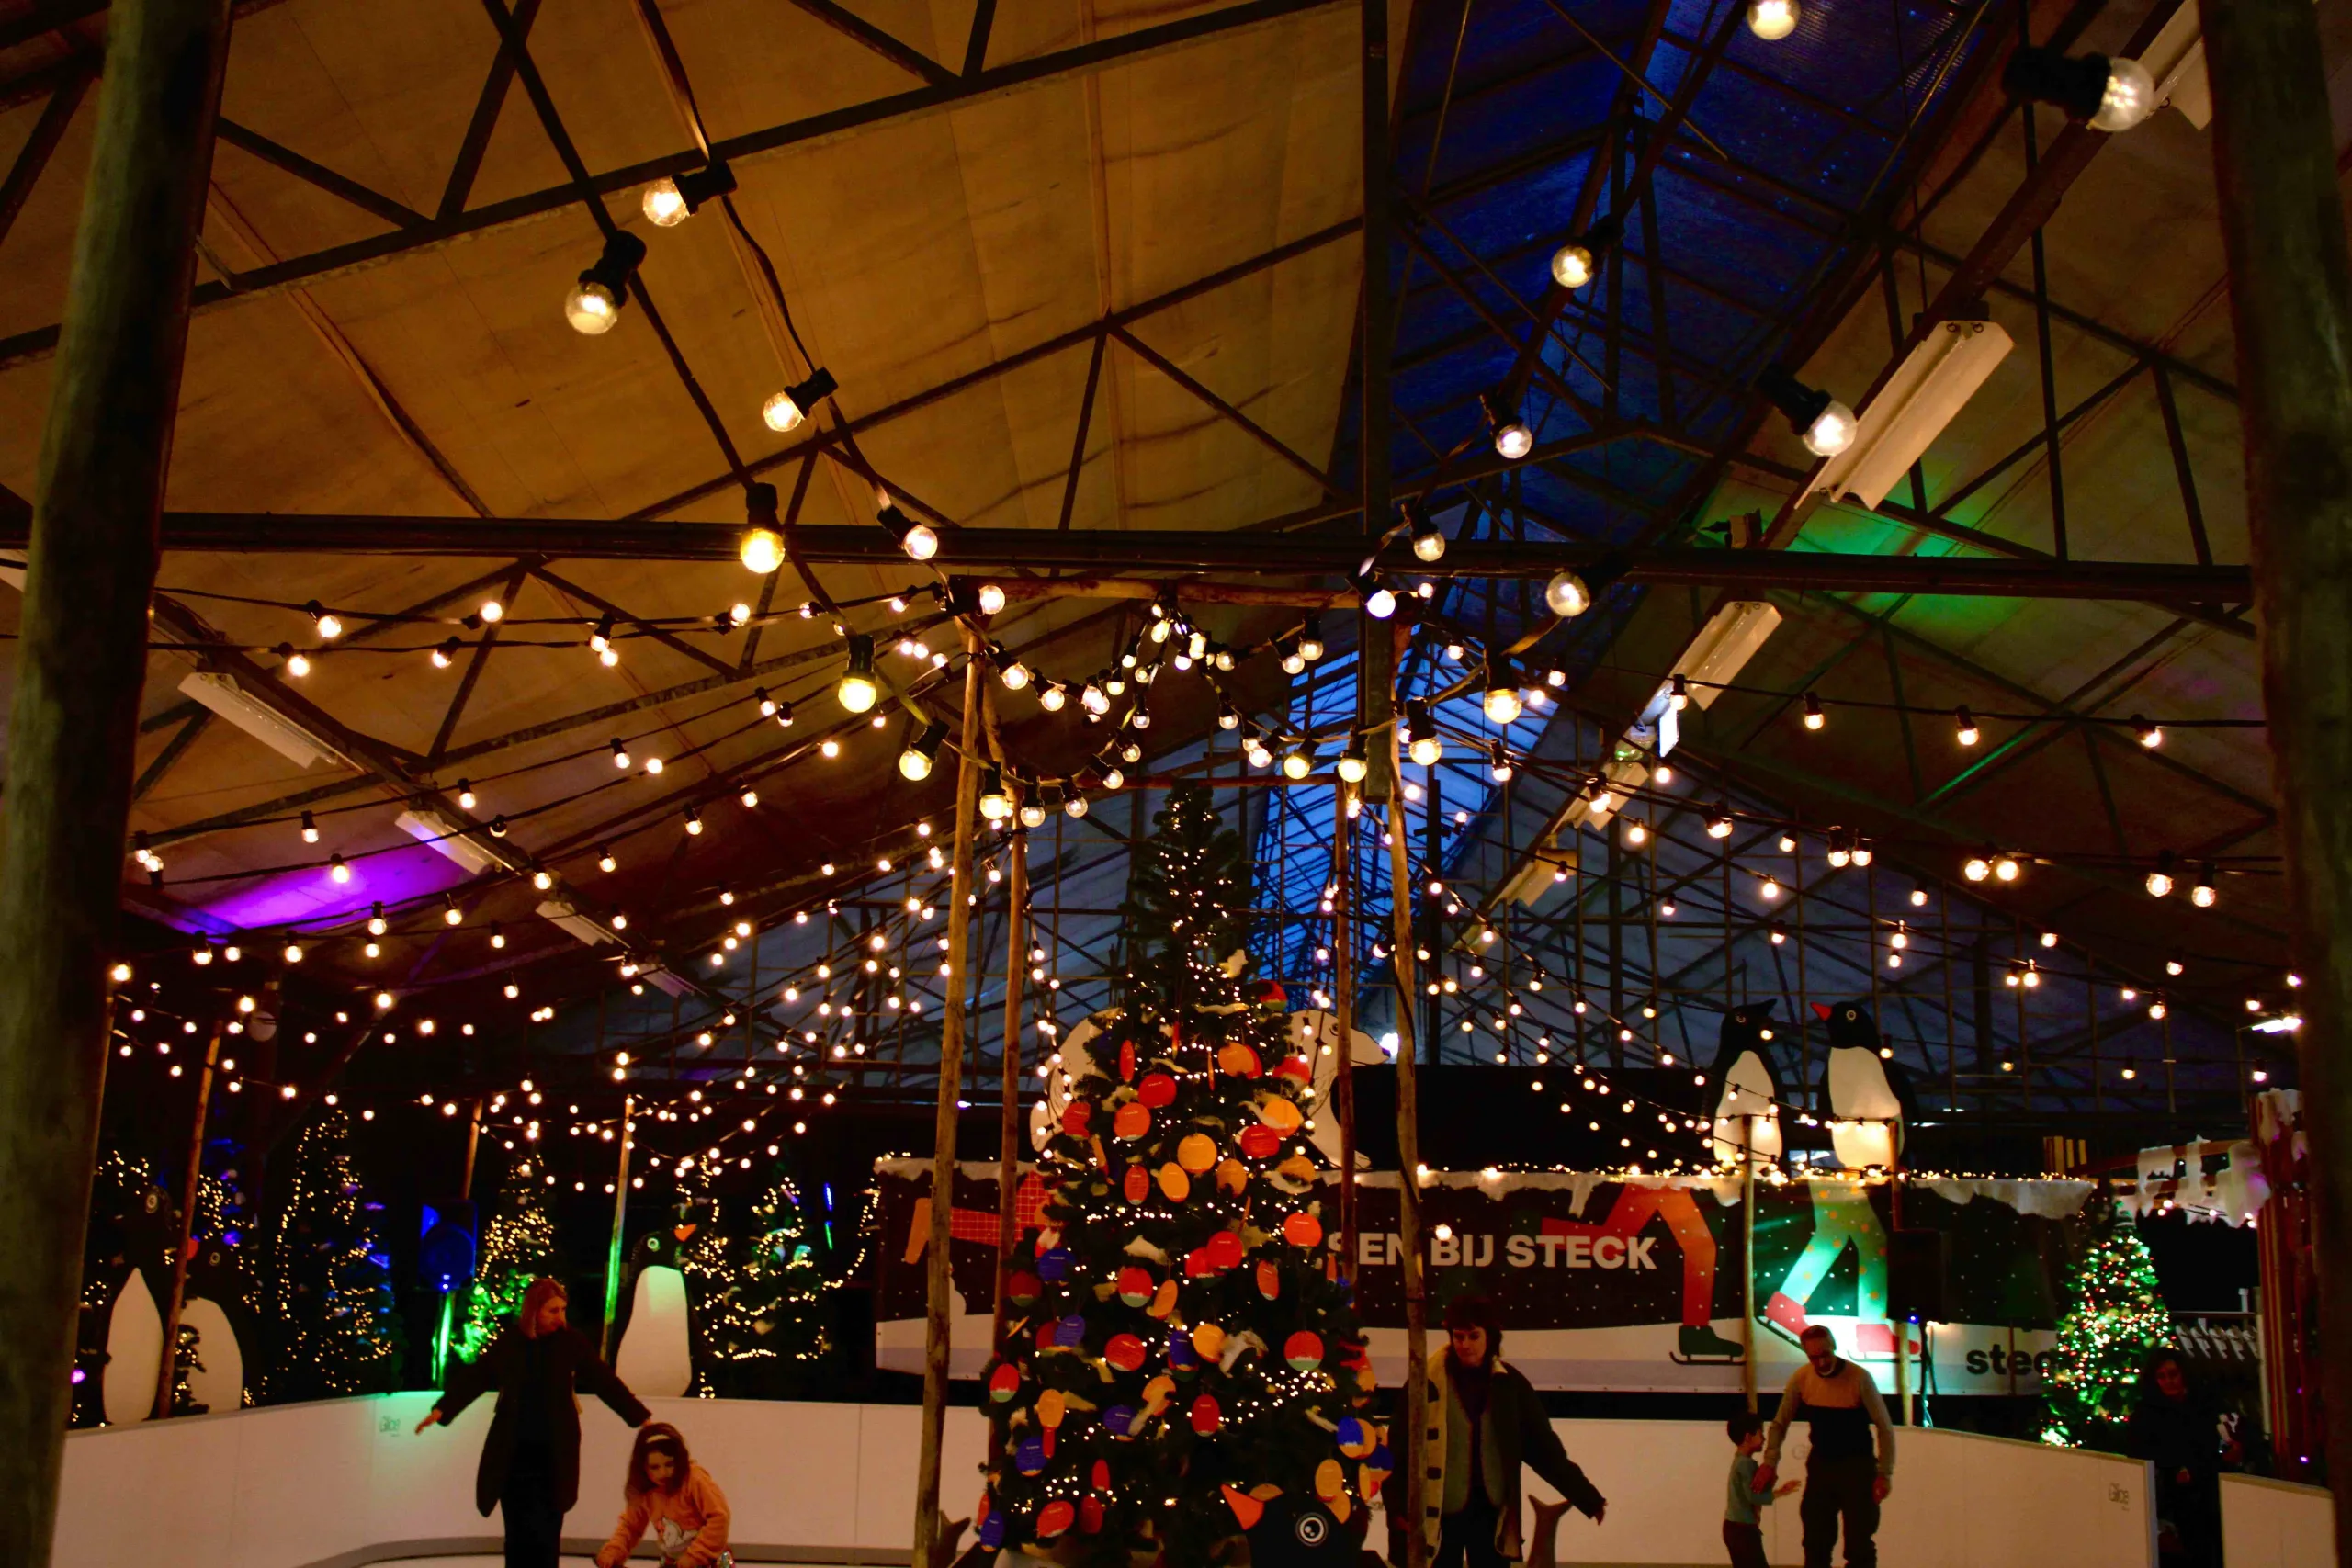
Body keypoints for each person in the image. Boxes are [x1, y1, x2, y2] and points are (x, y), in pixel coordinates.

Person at [415, 1276, 651, 1568]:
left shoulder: (571, 1343)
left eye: (563, 1310)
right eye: (553, 1310)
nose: (560, 1318)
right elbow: (478, 1377)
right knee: (517, 1536)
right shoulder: (511, 1343)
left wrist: (640, 1416)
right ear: (534, 1311)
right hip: (513, 1458)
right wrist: (442, 1410)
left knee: (547, 1536)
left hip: (553, 1458)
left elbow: (604, 1381)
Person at [1386, 1294, 1607, 1568]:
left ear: (1490, 1336)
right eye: (1458, 1336)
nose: (1465, 1345)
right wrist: (1396, 1507)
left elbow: (1545, 1450)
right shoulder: (1424, 1382)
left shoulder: (1510, 1386)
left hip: (1490, 1512)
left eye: (1473, 1336)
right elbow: (1397, 1446)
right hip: (1439, 1511)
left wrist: (1587, 1497)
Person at [1757, 1324, 1894, 1568]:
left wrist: (1884, 1473)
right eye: (1813, 1357)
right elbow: (1779, 1424)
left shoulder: (1859, 1378)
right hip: (1822, 1468)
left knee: (1859, 1545)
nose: (1820, 1362)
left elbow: (1885, 1428)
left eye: (1825, 1355)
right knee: (1815, 1542)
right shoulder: (1802, 1378)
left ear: (1834, 1347)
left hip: (1858, 1468)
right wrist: (1769, 1463)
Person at [2127, 1348, 2234, 1568]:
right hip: (2172, 1500)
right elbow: (2141, 1455)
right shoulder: (2146, 1414)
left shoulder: (2205, 1404)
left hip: (2212, 1490)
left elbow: (2220, 1440)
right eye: (2162, 1376)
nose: (2169, 1381)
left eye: (2173, 1374)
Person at [596, 1422, 732, 1568]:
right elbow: (631, 1526)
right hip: (674, 1560)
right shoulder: (646, 1491)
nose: (663, 1473)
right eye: (654, 1467)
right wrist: (613, 1552)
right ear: (642, 1467)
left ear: (679, 1460)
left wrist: (696, 1555)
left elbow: (719, 1517)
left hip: (709, 1560)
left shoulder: (695, 1479)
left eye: (669, 1464)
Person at [1723, 1410, 1801, 1568]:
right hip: (1743, 1530)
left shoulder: (1738, 1461)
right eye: (1761, 1434)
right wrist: (1782, 1491)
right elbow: (1754, 1497)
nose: (1764, 1439)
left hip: (1732, 1528)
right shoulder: (1746, 1464)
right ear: (1748, 1437)